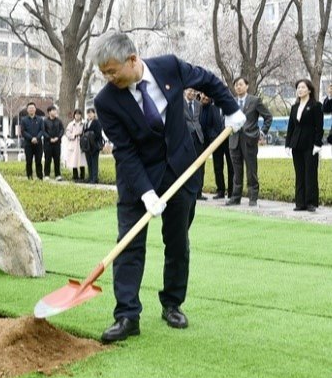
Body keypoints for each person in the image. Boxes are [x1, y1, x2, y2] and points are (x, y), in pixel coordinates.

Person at [90, 31, 244, 343]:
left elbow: (208, 81)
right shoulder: (106, 101)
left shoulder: (169, 68)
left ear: (133, 60)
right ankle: (127, 315)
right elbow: (125, 150)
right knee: (129, 245)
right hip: (137, 179)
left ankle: (172, 303)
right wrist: (146, 192)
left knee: (177, 242)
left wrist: (232, 109)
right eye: (103, 73)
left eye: (112, 71)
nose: (108, 78)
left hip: (181, 171)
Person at [226, 76, 272, 207]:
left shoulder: (255, 101)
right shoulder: (231, 102)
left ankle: (253, 198)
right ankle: (235, 197)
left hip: (250, 139)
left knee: (251, 170)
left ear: (247, 86)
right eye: (236, 85)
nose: (238, 87)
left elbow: (268, 117)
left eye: (240, 84)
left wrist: (262, 132)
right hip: (234, 139)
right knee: (236, 170)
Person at [285, 79, 324, 212]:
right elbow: (291, 127)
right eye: (298, 88)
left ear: (309, 90)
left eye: (302, 87)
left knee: (310, 174)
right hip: (296, 144)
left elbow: (319, 127)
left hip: (310, 144)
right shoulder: (294, 107)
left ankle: (310, 202)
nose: (300, 90)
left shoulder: (316, 105)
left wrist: (318, 143)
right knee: (299, 173)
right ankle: (300, 202)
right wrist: (288, 144)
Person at [199, 93, 233, 199]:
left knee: (231, 167)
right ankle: (221, 191)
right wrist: (213, 136)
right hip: (216, 141)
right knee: (218, 167)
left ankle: (231, 192)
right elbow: (209, 125)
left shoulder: (230, 107)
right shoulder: (212, 108)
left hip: (229, 141)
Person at [183, 89, 206, 200]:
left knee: (200, 165)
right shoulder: (179, 103)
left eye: (194, 91)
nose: (192, 93)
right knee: (187, 165)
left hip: (198, 137)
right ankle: (188, 191)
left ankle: (199, 192)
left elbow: (198, 119)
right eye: (189, 91)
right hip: (186, 137)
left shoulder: (198, 105)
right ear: (185, 91)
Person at [20, 102, 45, 180]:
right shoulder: (23, 120)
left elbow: (42, 130)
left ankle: (40, 177)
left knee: (38, 161)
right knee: (29, 161)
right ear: (27, 110)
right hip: (28, 144)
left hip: (38, 143)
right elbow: (23, 132)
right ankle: (29, 176)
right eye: (29, 108)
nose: (31, 109)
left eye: (32, 108)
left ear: (35, 109)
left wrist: (37, 138)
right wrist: (31, 138)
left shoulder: (40, 119)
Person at [64, 109, 87, 183]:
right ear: (74, 115)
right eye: (76, 114)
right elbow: (67, 133)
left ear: (81, 115)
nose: (77, 116)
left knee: (82, 161)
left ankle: (82, 176)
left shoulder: (84, 123)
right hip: (74, 144)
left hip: (82, 144)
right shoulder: (71, 124)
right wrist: (74, 135)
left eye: (79, 114)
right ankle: (75, 176)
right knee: (74, 161)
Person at [43, 106, 64, 180]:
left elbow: (62, 130)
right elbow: (43, 131)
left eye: (55, 110)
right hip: (48, 143)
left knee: (57, 159)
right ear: (49, 112)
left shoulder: (59, 121)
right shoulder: (45, 121)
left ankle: (58, 174)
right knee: (47, 159)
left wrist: (58, 137)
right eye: (53, 110)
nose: (55, 112)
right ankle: (46, 174)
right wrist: (49, 138)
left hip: (57, 143)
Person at [82, 108, 103, 184]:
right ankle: (90, 177)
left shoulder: (97, 122)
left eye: (91, 113)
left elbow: (98, 134)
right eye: (88, 113)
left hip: (94, 145)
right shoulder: (86, 123)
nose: (89, 115)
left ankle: (95, 178)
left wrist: (90, 134)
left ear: (94, 114)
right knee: (89, 162)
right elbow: (84, 133)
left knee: (94, 162)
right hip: (87, 145)